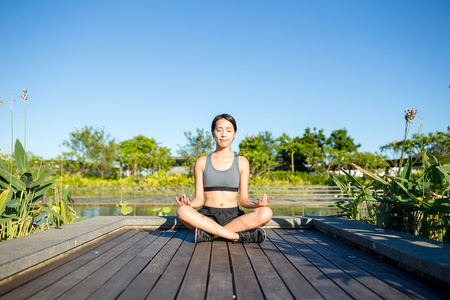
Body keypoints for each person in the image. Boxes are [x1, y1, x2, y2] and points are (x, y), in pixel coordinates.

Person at [176, 114, 273, 243]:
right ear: (212, 133)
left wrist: (256, 205)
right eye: (219, 130)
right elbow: (199, 199)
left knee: (266, 212)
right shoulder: (202, 162)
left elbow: (243, 200)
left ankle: (210, 235)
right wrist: (189, 204)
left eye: (228, 130)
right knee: (182, 211)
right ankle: (237, 236)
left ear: (234, 134)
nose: (223, 134)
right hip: (208, 216)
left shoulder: (242, 162)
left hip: (234, 217)